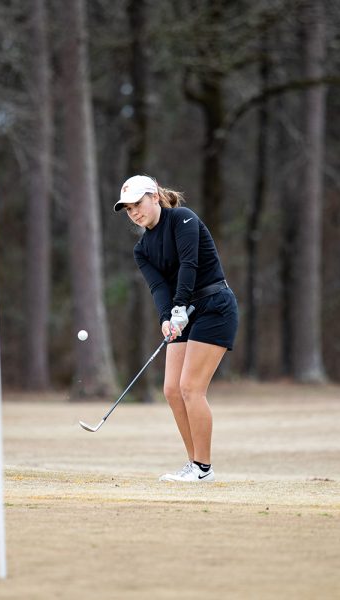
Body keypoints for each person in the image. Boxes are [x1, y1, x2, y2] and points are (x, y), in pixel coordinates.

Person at [114, 174, 238, 483]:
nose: (134, 213)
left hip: (214, 306)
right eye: (128, 209)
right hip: (184, 313)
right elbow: (158, 287)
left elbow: (188, 265)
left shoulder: (183, 219)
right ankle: (193, 463)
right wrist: (166, 318)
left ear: (154, 197)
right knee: (171, 390)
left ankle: (203, 469)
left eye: (137, 204)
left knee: (190, 388)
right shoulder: (142, 250)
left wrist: (179, 307)